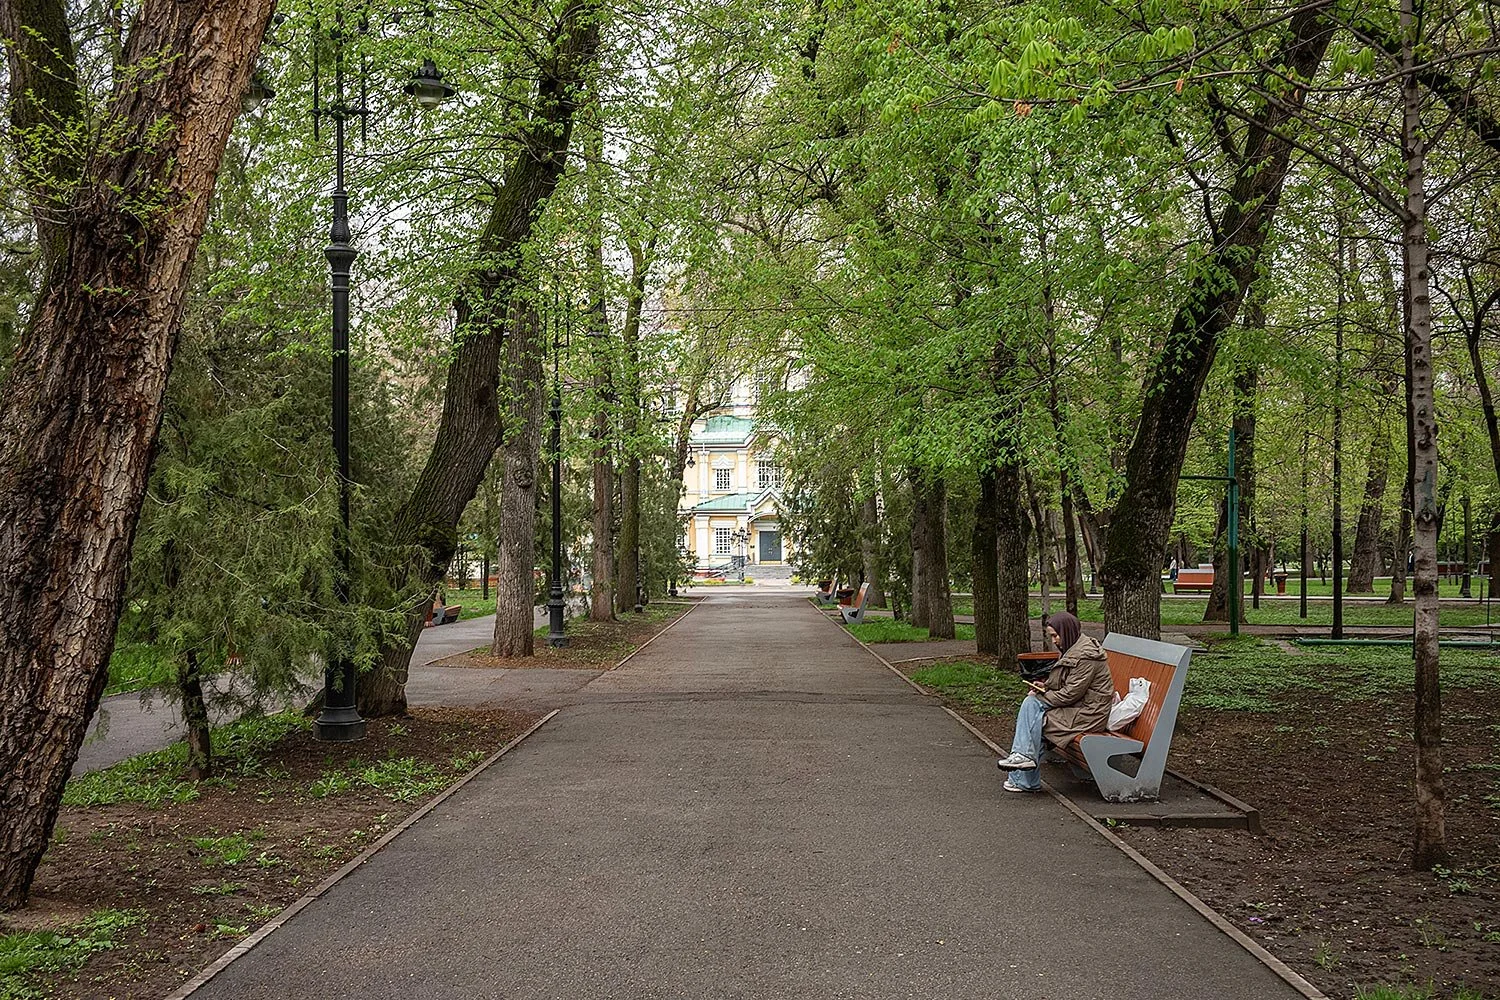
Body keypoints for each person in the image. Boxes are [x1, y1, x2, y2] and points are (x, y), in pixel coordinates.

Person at [995, 611, 1114, 793]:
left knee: (1034, 713)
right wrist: (1045, 686)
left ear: (1066, 632)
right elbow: (1064, 683)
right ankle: (1023, 769)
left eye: (1055, 635)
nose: (1054, 640)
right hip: (1078, 709)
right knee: (1032, 709)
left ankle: (1024, 775)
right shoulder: (1075, 649)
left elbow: (1070, 694)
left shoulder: (1085, 656)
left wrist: (1042, 696)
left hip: (1089, 714)